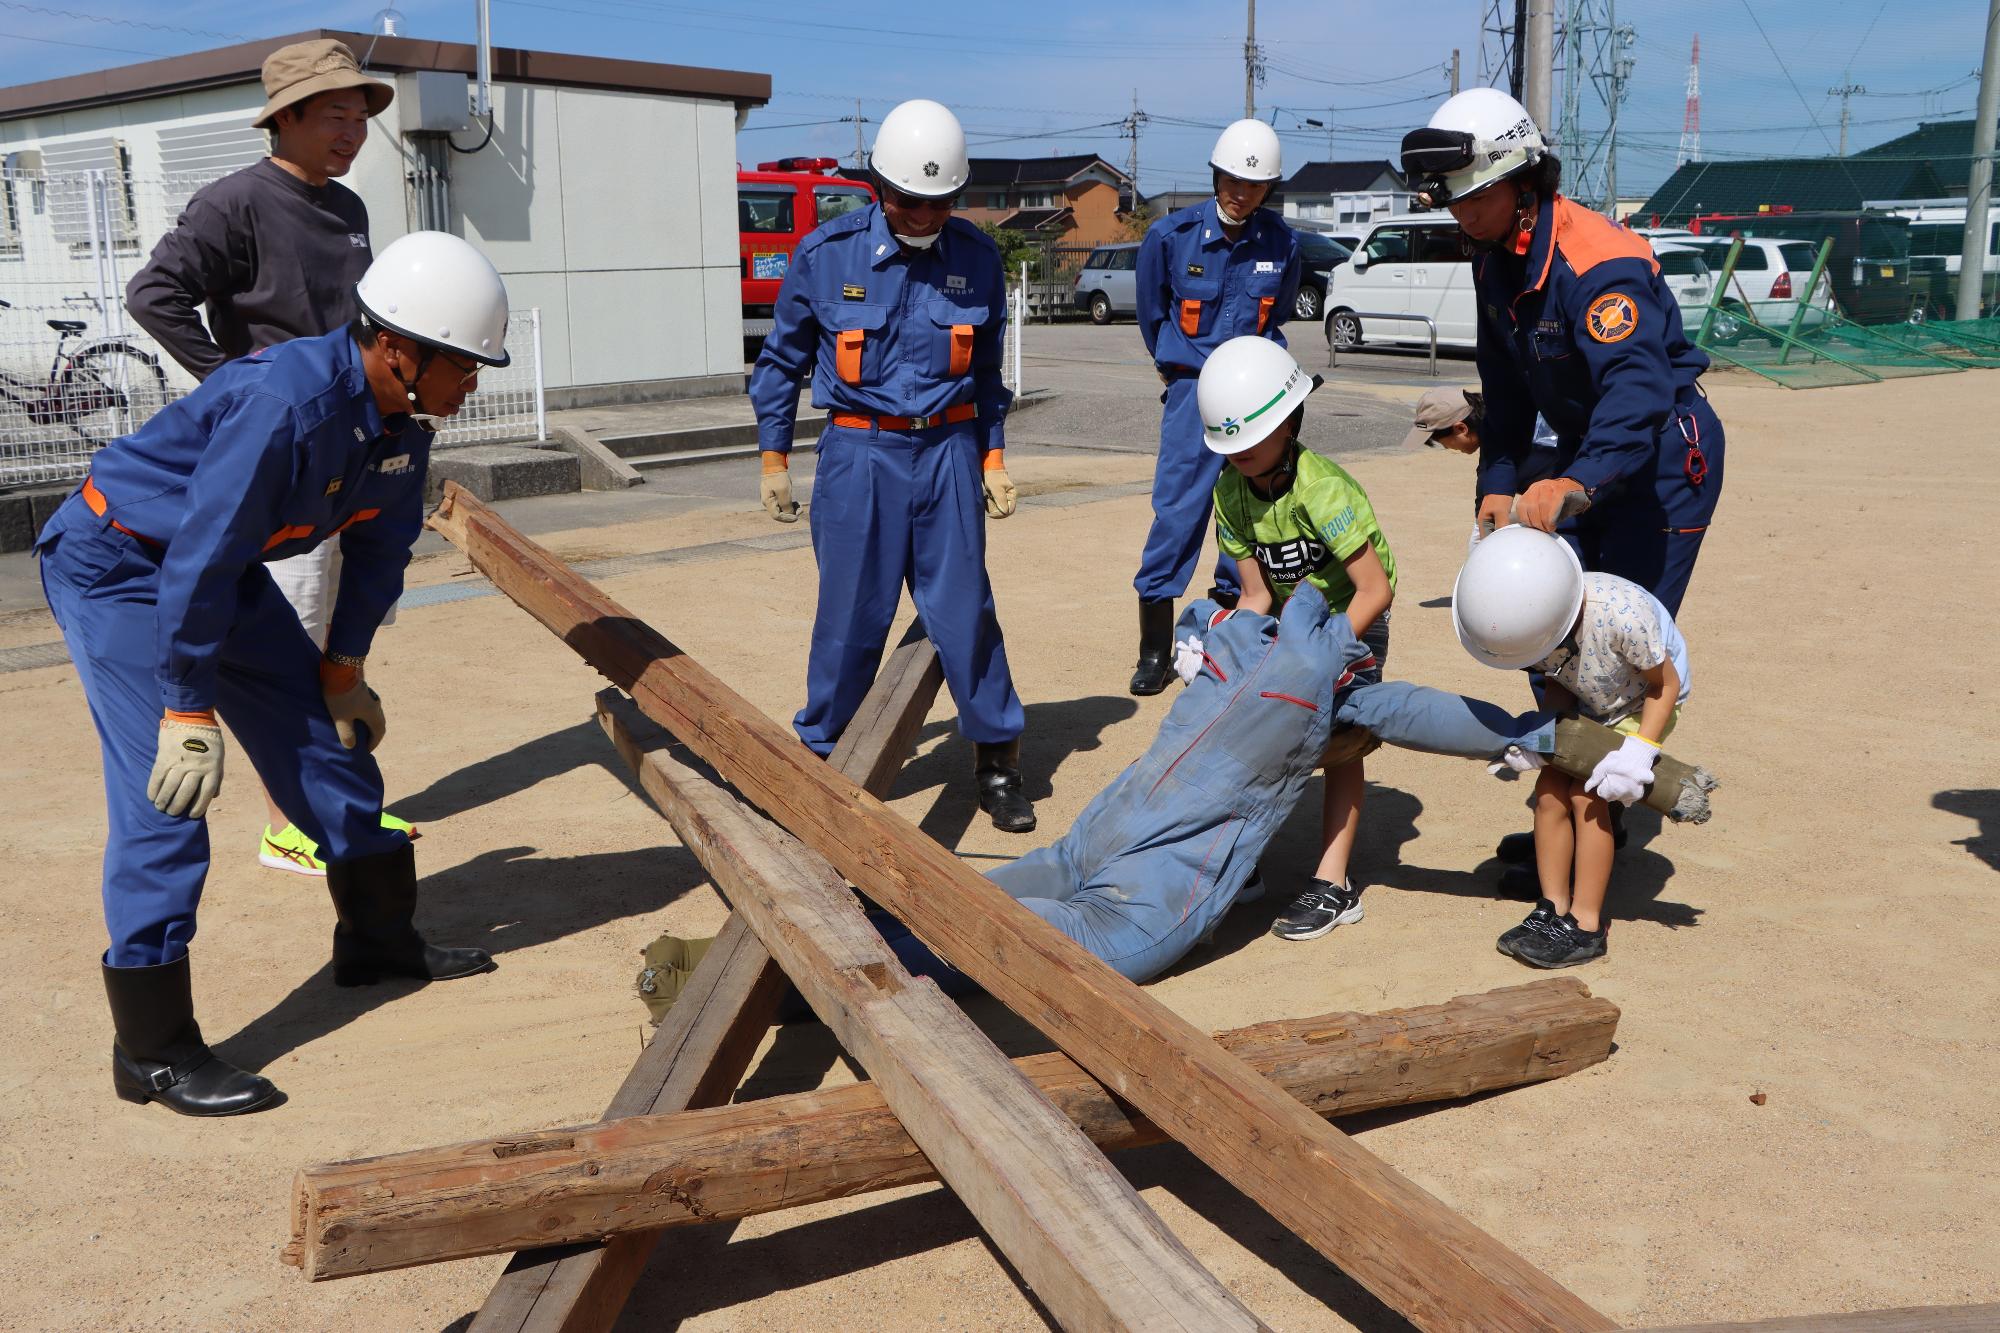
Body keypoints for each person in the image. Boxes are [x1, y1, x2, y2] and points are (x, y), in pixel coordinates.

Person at [35, 232, 510, 1117]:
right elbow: (201, 559)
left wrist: (342, 667)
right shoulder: (285, 405)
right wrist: (187, 710)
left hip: (213, 567)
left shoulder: (401, 426)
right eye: (464, 363)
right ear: (397, 348)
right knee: (168, 792)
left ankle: (377, 941)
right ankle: (151, 1050)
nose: (474, 382)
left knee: (328, 749)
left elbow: (379, 552)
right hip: (121, 563)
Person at [1401, 87, 1722, 866]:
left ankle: (1598, 835)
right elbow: (1505, 388)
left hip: (1659, 458)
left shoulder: (1598, 260)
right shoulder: (1490, 256)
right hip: (1581, 450)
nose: (1460, 212)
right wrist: (1498, 480)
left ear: (1523, 179)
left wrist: (1574, 483)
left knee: (1615, 650)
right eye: (1452, 197)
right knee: (1550, 633)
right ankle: (1570, 805)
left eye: (1474, 195)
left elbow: (1637, 393)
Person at [126, 37, 407, 878]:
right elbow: (153, 294)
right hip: (275, 461)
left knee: (333, 629)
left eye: (359, 118)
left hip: (349, 447)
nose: (351, 133)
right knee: (287, 639)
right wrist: (232, 383)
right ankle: (289, 822)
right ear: (284, 119)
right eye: (333, 116)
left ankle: (325, 803)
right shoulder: (235, 202)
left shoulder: (347, 207)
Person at [750, 98, 1034, 833]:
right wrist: (774, 457)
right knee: (850, 615)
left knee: (965, 611)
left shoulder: (976, 258)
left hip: (949, 453)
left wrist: (993, 456)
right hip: (859, 454)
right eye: (912, 201)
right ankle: (823, 757)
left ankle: (997, 762)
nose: (927, 216)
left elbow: (987, 374)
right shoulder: (827, 255)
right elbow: (780, 363)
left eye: (942, 202)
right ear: (880, 188)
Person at [1199, 337, 1396, 942]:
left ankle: (1334, 884)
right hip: (1291, 620)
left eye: (1253, 440)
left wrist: (1326, 653)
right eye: (1230, 448)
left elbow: (1375, 590)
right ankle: (1244, 858)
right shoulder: (1229, 493)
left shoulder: (1322, 490)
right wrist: (1222, 646)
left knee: (1339, 737)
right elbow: (1255, 595)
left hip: (1352, 617)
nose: (1241, 455)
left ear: (1289, 421)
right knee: (1251, 723)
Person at [1453, 525, 1692, 968]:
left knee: (1588, 796)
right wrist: (1543, 736)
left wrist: (1638, 752)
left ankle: (1586, 923)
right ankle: (1553, 906)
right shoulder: (1534, 624)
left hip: (1644, 702)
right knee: (1548, 793)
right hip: (1589, 697)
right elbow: (1561, 680)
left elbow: (1666, 686)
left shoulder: (1623, 615)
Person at [1127, 120, 1301, 697]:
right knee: (1177, 512)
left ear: (1268, 189)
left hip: (1257, 399)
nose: (1239, 193)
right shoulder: (1170, 236)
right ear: (1215, 175)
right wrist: (1179, 368)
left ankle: (1228, 636)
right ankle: (1155, 650)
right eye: (1231, 180)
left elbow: (1277, 316)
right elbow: (1152, 315)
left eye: (1253, 185)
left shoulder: (1281, 243)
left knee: (1251, 514)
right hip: (1193, 393)